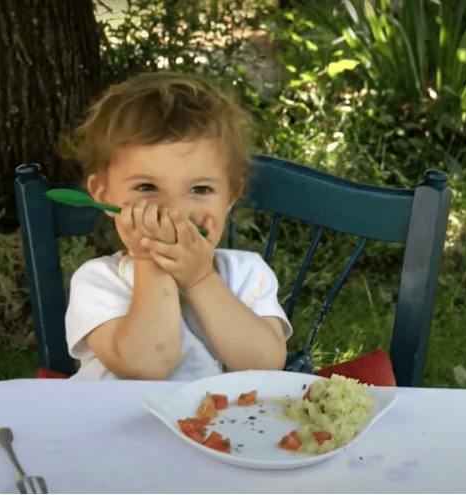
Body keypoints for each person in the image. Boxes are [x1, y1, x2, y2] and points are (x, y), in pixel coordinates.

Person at [61, 72, 293, 381]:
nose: (174, 212)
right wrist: (149, 262)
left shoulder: (245, 274)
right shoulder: (98, 281)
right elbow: (146, 365)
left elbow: (265, 365)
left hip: (209, 426)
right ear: (103, 194)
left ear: (229, 198)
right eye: (146, 187)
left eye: (200, 190)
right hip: (116, 426)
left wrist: (201, 279)